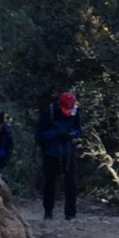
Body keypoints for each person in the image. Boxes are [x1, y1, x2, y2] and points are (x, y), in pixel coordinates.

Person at [34, 90, 83, 221]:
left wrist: (70, 135)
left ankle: (70, 214)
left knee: (71, 183)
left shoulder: (75, 112)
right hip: (51, 154)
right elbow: (39, 135)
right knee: (50, 183)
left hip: (68, 153)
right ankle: (48, 212)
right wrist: (56, 134)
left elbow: (79, 131)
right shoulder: (48, 113)